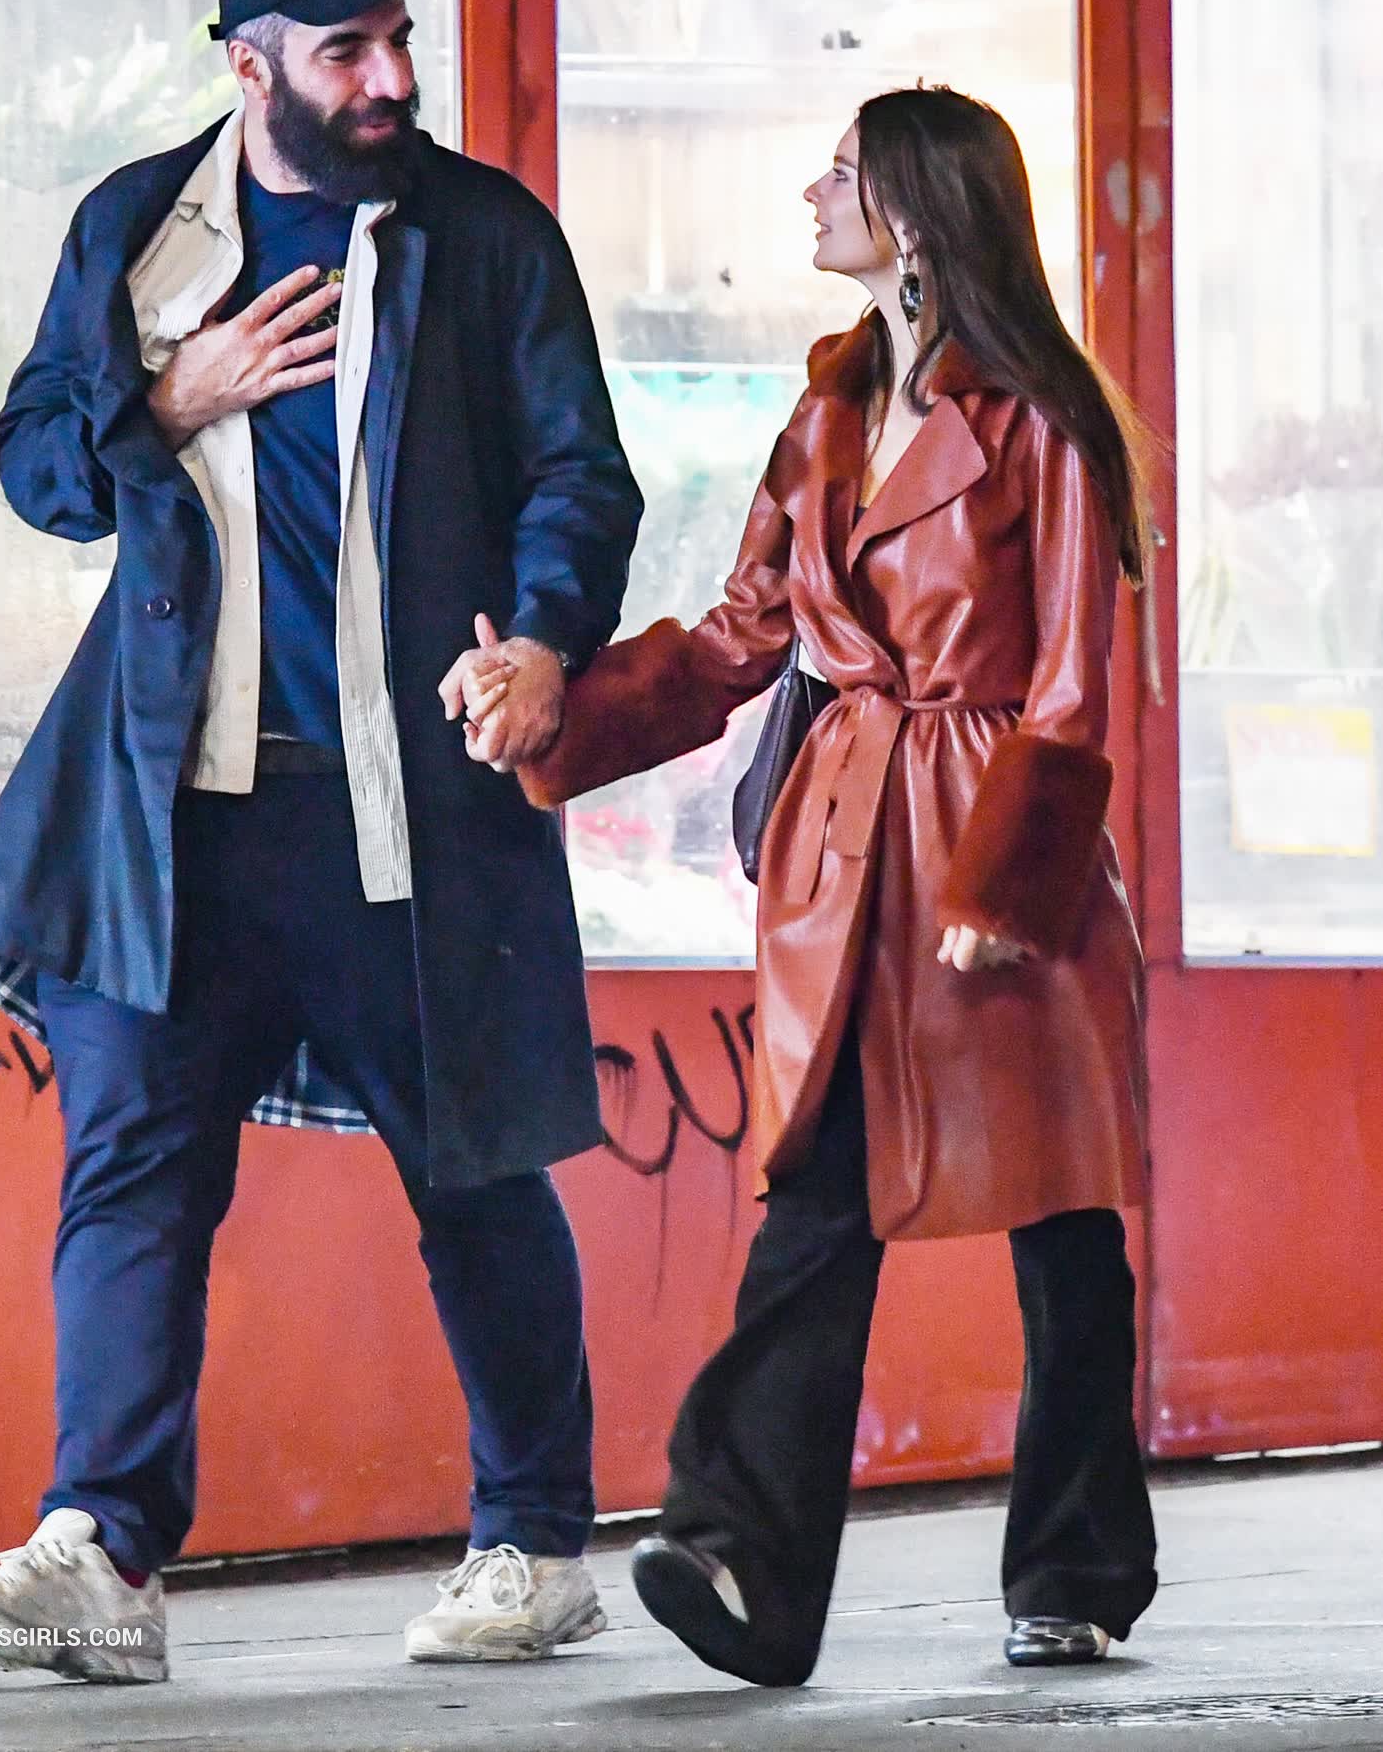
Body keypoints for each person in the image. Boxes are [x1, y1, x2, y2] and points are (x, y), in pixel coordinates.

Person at [0, 0, 643, 1684]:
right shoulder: (135, 227)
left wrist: (545, 639)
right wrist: (167, 399)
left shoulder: (484, 233)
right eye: (346, 50)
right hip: (171, 806)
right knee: (129, 1164)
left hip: (405, 802)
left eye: (399, 40)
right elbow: (36, 465)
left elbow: (580, 474)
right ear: (251, 68)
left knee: (473, 1169)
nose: (388, 76)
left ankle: (538, 1542)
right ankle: (102, 1553)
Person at [464, 85, 1158, 1686]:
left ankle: (1074, 1568)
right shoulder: (826, 414)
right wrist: (555, 708)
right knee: (821, 1191)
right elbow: (735, 639)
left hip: (996, 860)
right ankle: (739, 1561)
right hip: (845, 861)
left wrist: (1007, 891)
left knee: (1058, 1219)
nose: (810, 194)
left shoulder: (1040, 423)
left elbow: (1069, 689)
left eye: (840, 173)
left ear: (912, 213)